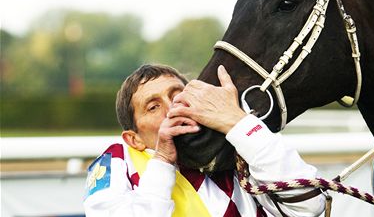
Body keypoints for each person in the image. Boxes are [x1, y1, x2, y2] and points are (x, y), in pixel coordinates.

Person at [83, 64, 325, 217]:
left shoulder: (235, 144)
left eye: (177, 95)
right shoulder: (115, 161)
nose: (172, 109)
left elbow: (308, 207)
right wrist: (164, 160)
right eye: (154, 107)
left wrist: (238, 122)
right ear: (133, 139)